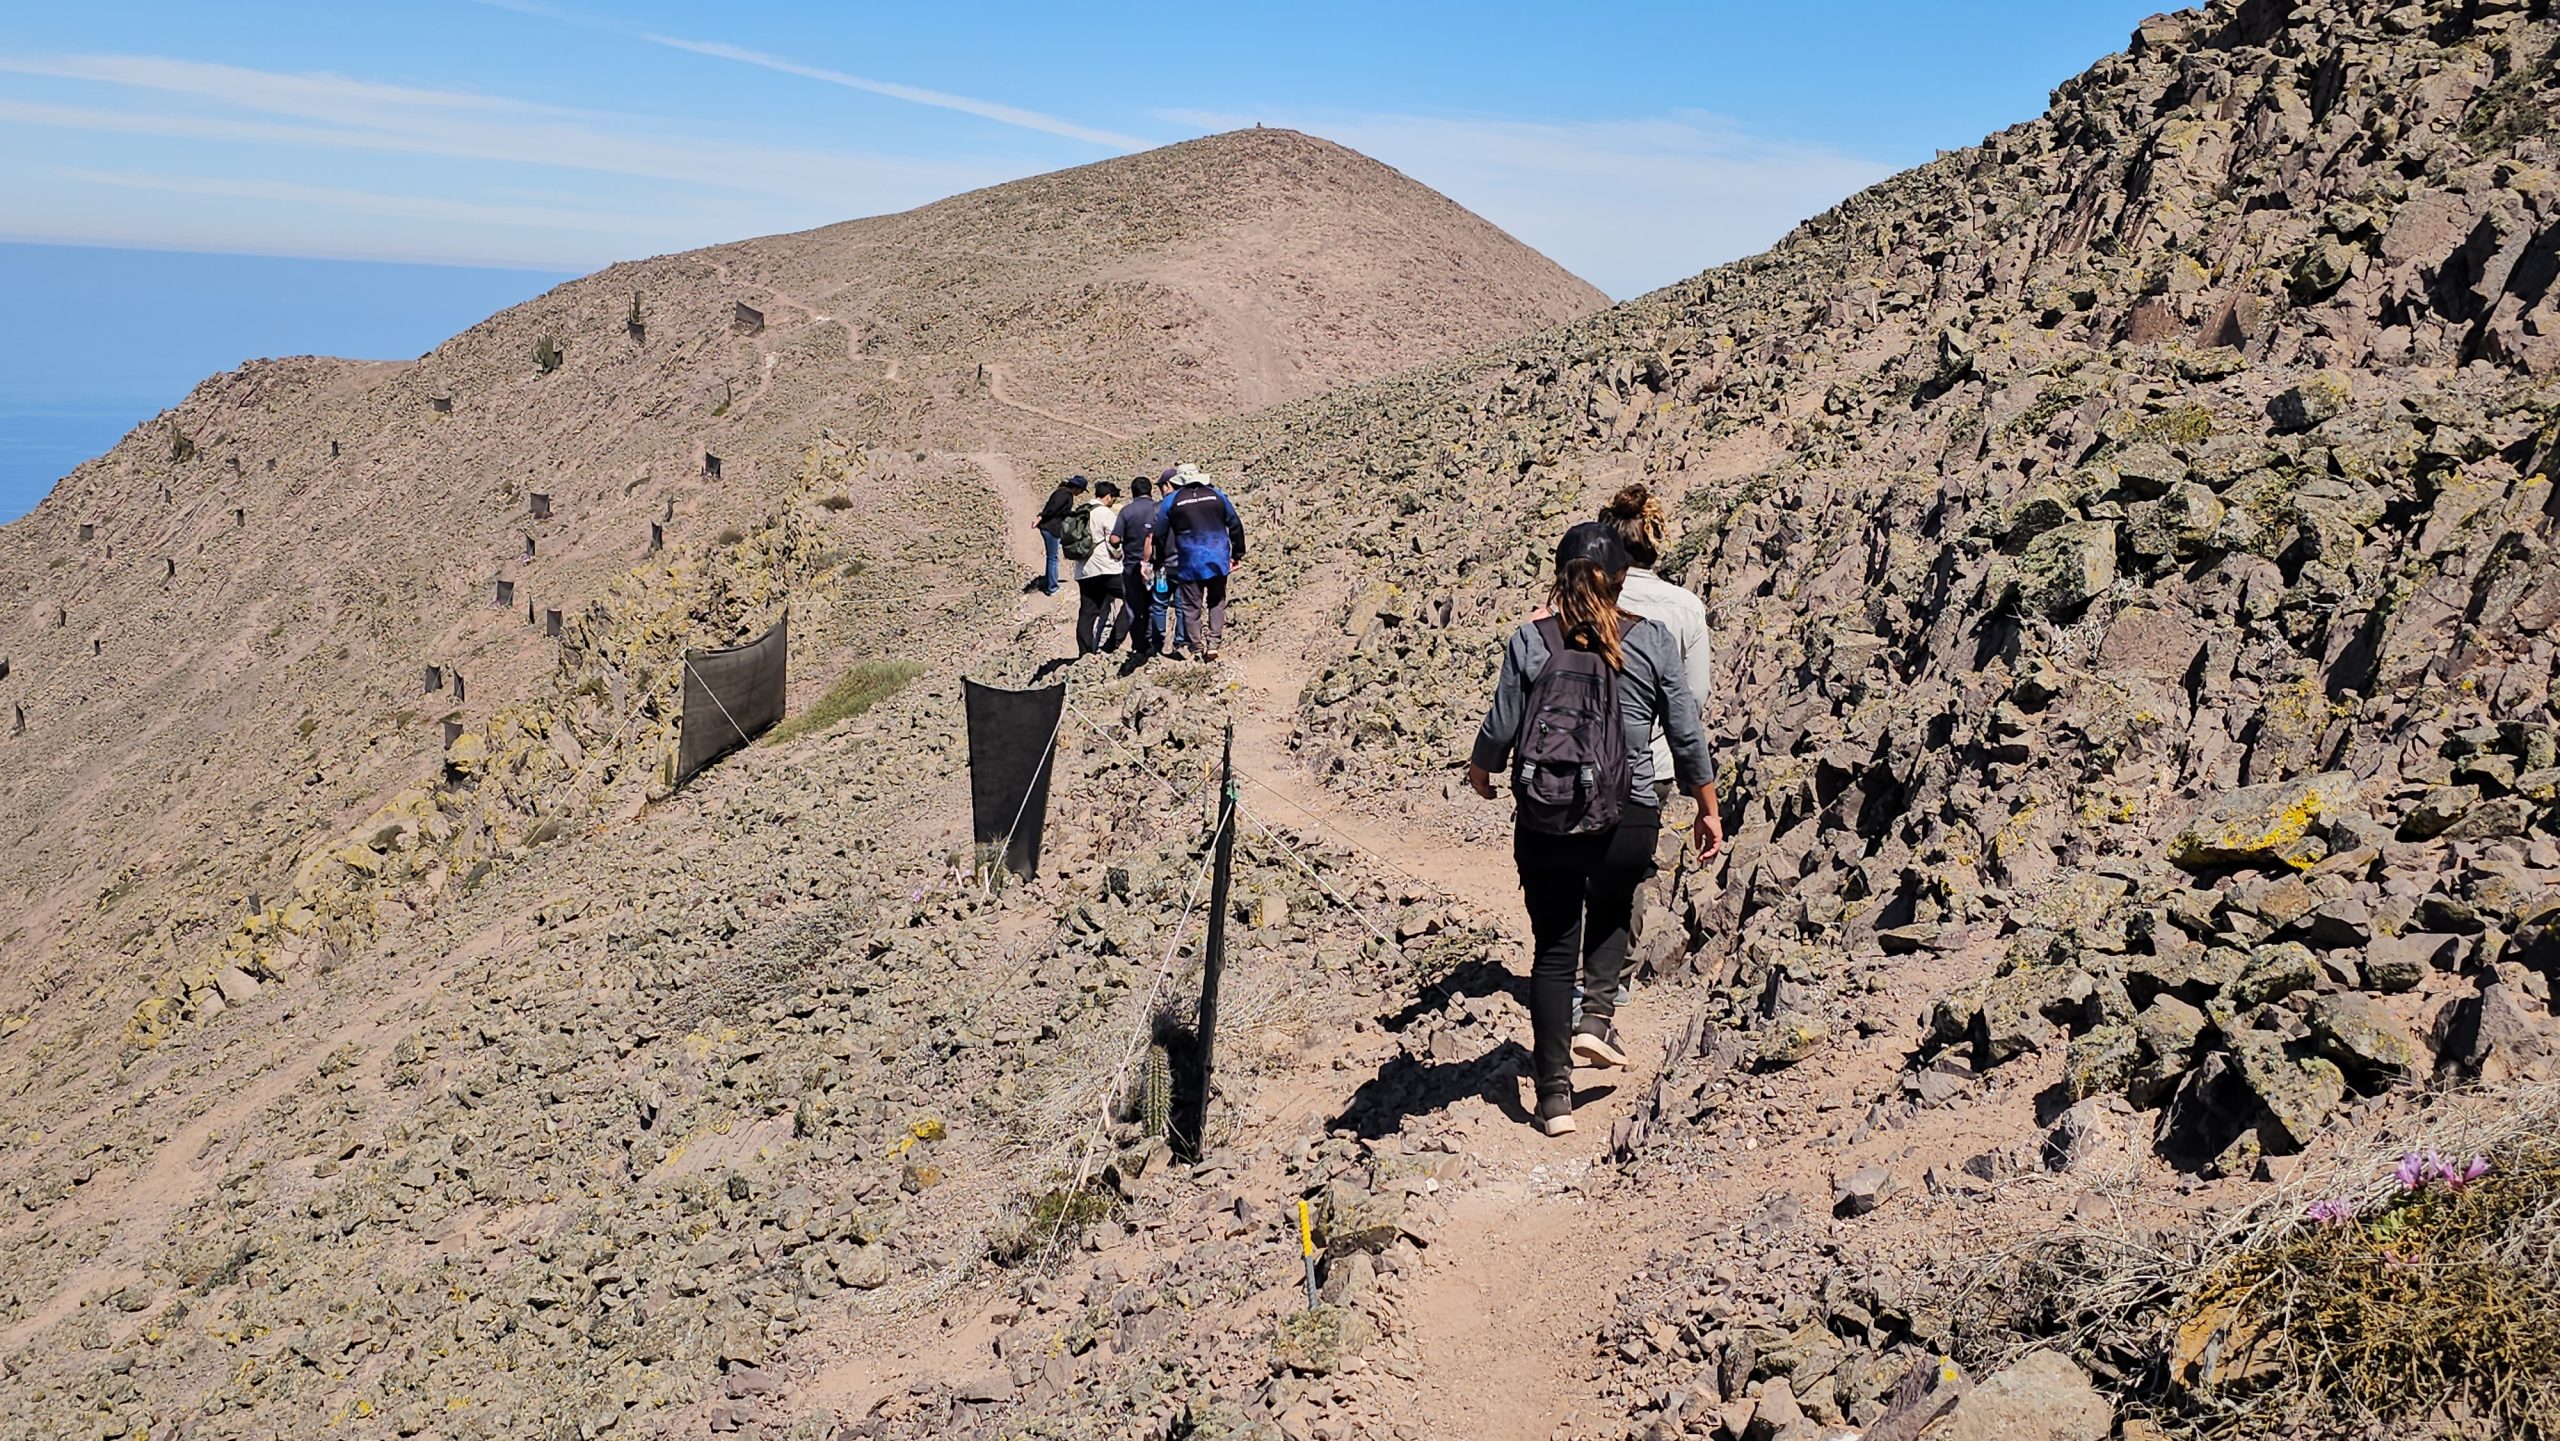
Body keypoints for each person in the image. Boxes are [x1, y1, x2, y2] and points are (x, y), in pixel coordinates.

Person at [1466, 522, 1722, 1137]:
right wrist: (1706, 805)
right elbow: (1686, 732)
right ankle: (1597, 1017)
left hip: (1547, 816)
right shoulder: (1653, 640)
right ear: (1622, 577)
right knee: (1610, 909)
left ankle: (1553, 1098)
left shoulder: (1531, 639)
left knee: (1553, 950)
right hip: (1629, 809)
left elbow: (1501, 727)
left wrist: (1482, 769)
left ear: (1559, 576)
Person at [1591, 482, 1714, 1016]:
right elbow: (1694, 698)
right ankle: (1609, 987)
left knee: (1578, 863)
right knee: (1629, 874)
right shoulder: (1684, 608)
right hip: (1652, 765)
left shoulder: (1588, 596)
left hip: (1582, 757)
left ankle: (1570, 978)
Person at [1147, 463, 1245, 661]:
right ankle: (1214, 643)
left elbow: (1159, 533)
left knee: (1192, 605)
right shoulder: (1217, 495)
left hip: (1189, 560)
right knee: (1216, 601)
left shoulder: (1172, 501)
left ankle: (1196, 647)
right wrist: (1237, 554)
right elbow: (1235, 524)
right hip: (1217, 557)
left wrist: (1161, 559)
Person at [1073, 482, 1131, 654]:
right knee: (1134, 597)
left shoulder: (1080, 511)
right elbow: (1113, 541)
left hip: (1084, 571)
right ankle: (1111, 644)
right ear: (1108, 496)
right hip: (1106, 569)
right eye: (1113, 499)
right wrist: (1119, 555)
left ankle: (1085, 653)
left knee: (1087, 612)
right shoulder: (1105, 513)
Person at [1111, 475, 1163, 659]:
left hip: (1132, 565)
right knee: (1155, 603)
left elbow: (1114, 539)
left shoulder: (1126, 511)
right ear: (1150, 490)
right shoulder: (1159, 508)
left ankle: (1139, 644)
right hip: (1156, 564)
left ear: (1132, 492)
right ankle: (1154, 642)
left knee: (1133, 606)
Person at [1034, 475, 1087, 596]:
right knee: (1053, 558)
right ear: (1077, 488)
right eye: (1082, 490)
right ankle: (1052, 587)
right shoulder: (1065, 495)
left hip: (1048, 527)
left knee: (1052, 557)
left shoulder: (1061, 492)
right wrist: (1040, 516)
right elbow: (1052, 509)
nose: (1081, 493)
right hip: (1051, 528)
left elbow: (1060, 510)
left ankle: (1049, 581)